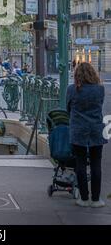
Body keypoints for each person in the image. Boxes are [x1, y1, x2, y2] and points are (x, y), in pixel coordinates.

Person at [66, 62, 107, 208]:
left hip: (78, 130)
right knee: (96, 164)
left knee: (80, 164)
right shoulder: (100, 89)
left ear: (77, 75)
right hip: (96, 129)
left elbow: (68, 108)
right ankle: (96, 200)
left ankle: (83, 198)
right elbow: (99, 106)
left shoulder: (72, 89)